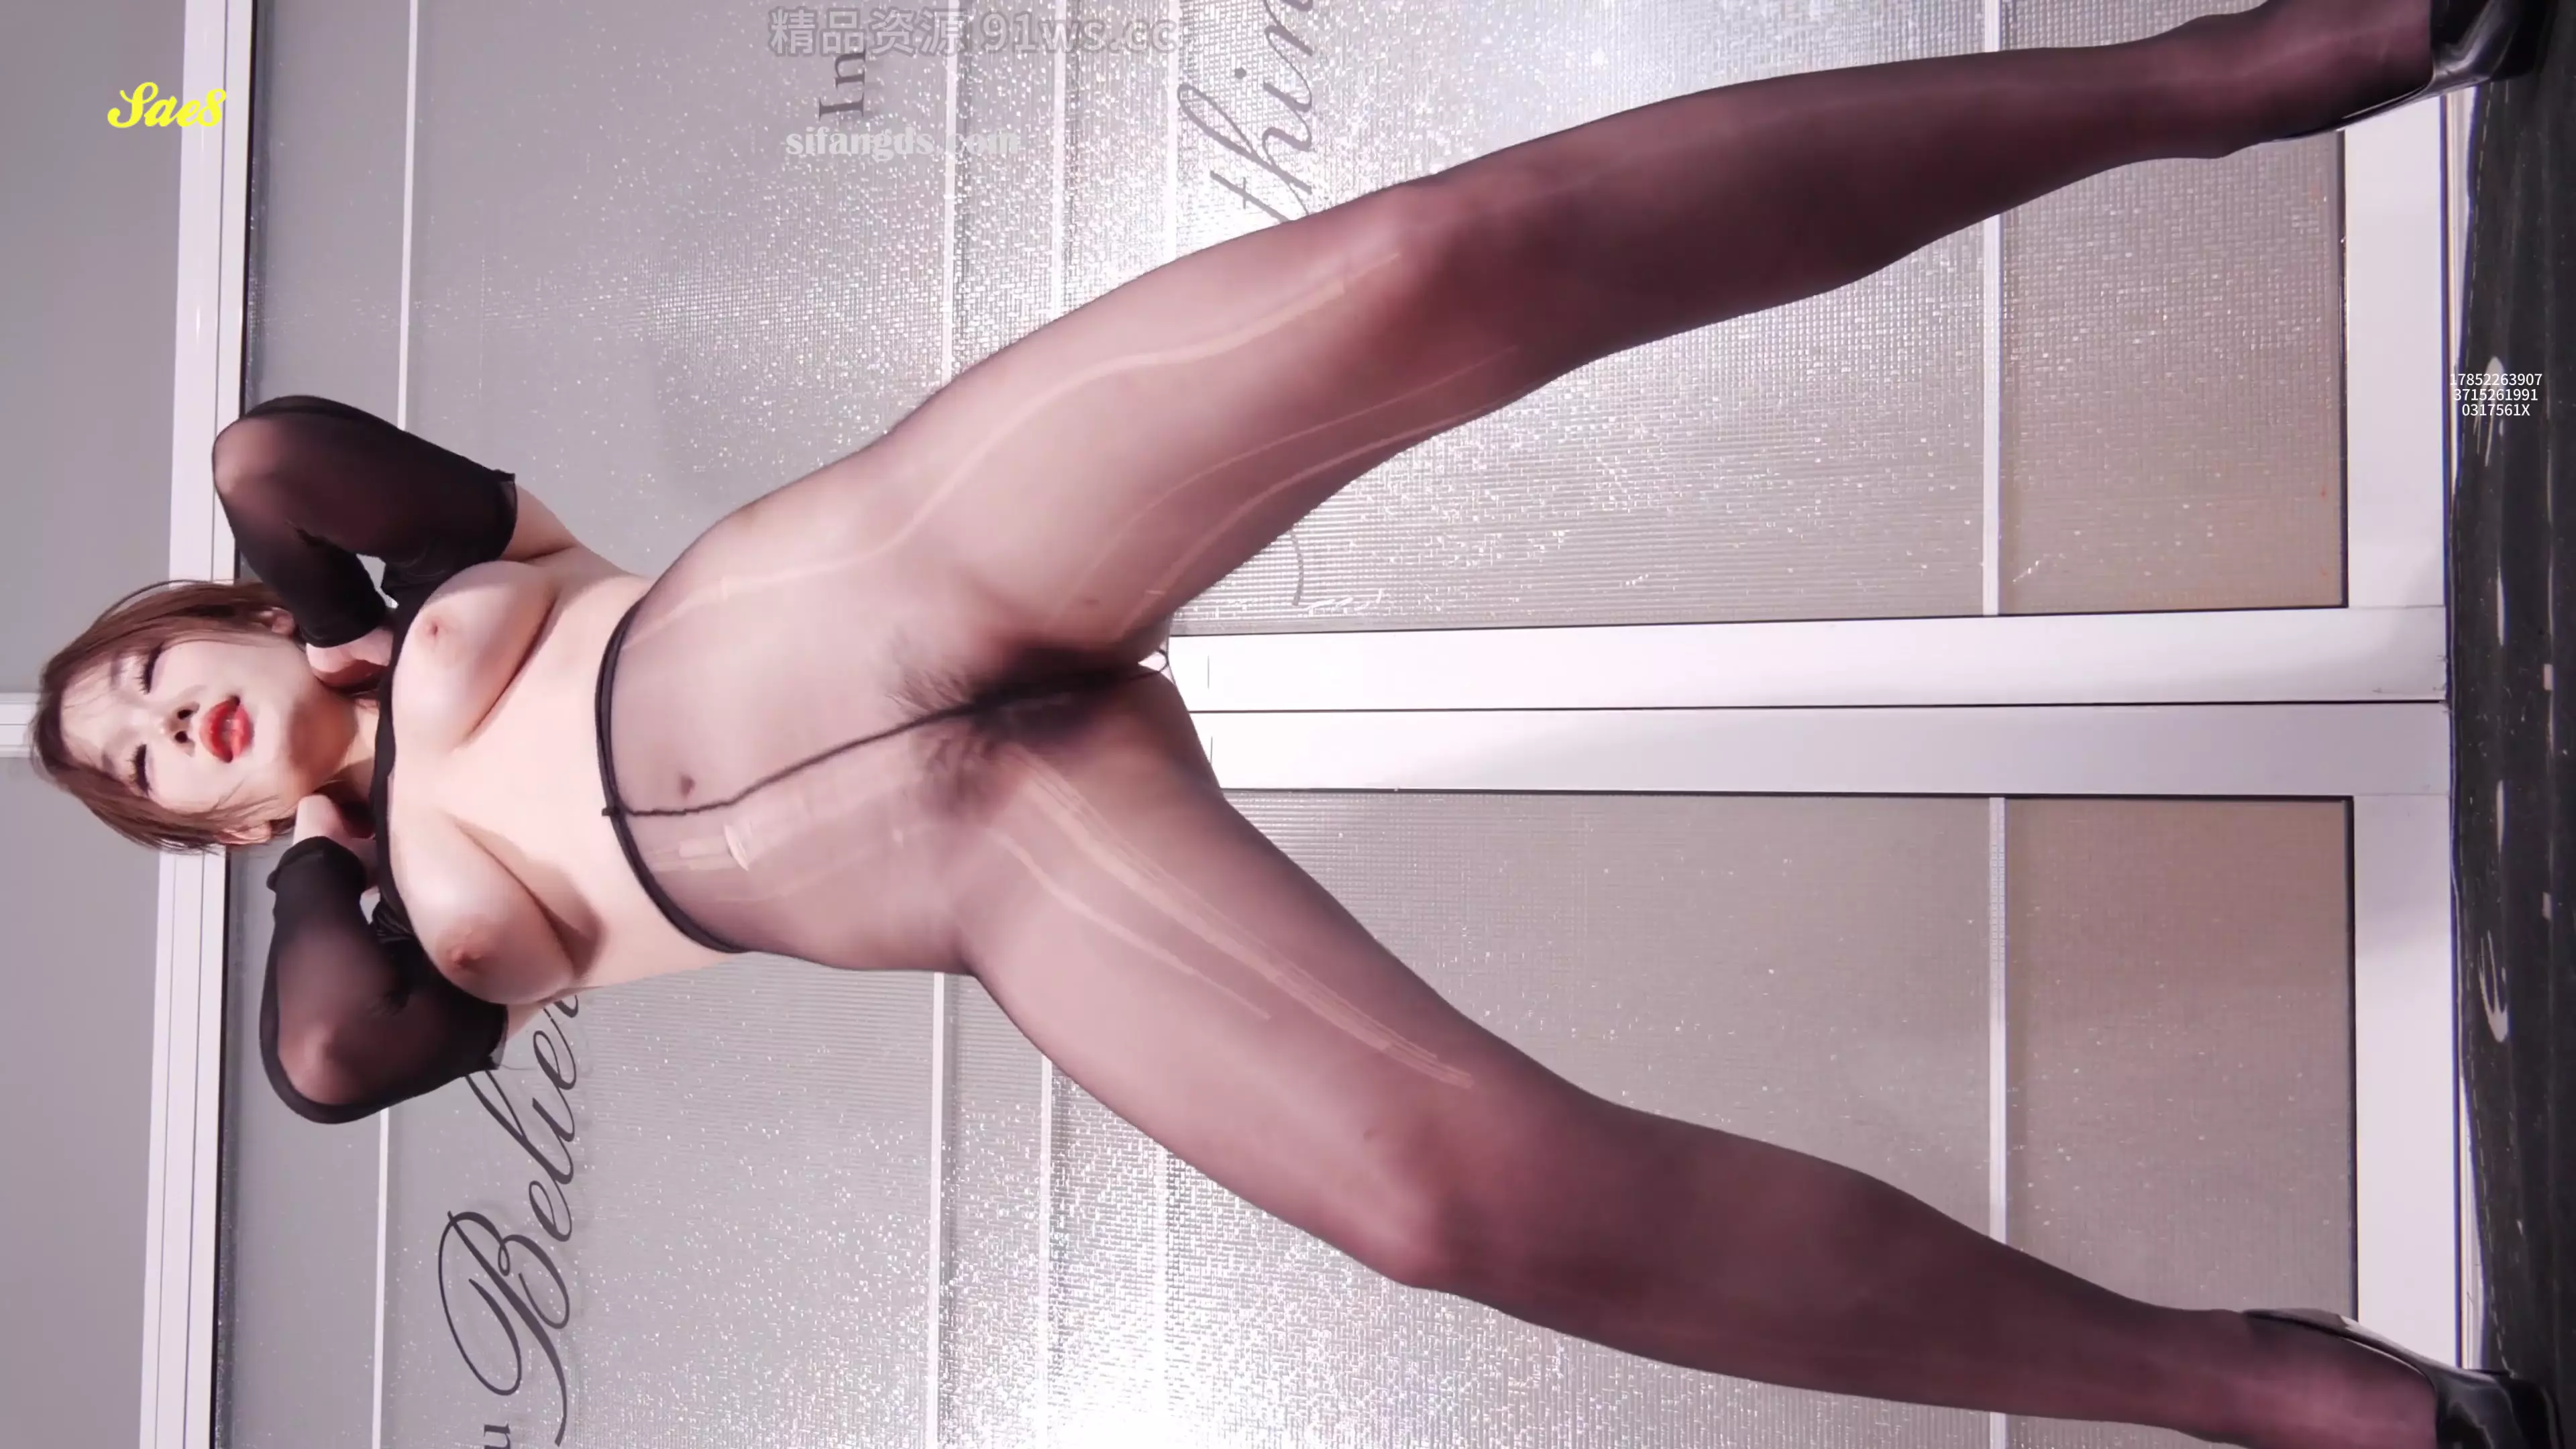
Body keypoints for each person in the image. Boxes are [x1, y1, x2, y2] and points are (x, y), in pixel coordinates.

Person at [32, 0, 2561, 1443]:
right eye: (140, 770)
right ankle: (2245, 1388)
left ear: (220, 618)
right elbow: (337, 1064)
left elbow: (267, 451)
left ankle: (2243, 70)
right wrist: (318, 809)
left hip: (923, 559)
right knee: (1452, 1207)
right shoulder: (375, 942)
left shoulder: (431, 576)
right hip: (996, 854)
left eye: (155, 672)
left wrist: (327, 626)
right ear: (204, 843)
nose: (172, 729)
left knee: (1448, 260)